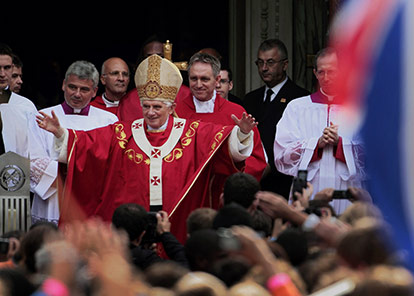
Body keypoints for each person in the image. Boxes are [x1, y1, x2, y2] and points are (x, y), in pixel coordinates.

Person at [35, 54, 259, 241]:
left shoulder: (192, 131)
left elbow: (221, 144)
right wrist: (61, 134)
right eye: (146, 106)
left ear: (171, 108)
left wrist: (242, 134)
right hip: (133, 223)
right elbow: (88, 145)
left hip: (176, 218)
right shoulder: (124, 132)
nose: (150, 112)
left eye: (157, 107)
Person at [25, 60, 118, 225]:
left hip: (93, 201)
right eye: (72, 87)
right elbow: (33, 160)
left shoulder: (109, 121)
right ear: (63, 85)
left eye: (84, 89)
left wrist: (76, 171)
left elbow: (113, 164)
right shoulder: (41, 117)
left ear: (95, 91)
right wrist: (79, 172)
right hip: (53, 199)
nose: (77, 94)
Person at [274, 47, 365, 214]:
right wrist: (316, 144)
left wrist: (341, 144)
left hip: (347, 189)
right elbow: (281, 154)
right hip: (309, 188)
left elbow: (375, 156)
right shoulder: (297, 107)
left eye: (332, 72)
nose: (326, 78)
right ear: (315, 73)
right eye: (321, 72)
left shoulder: (358, 109)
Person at [175, 51, 267, 186]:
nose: (198, 85)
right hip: (187, 189)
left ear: (217, 80)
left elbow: (256, 159)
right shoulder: (176, 113)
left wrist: (234, 184)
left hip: (224, 191)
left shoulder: (236, 112)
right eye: (194, 79)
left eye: (204, 79)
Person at [243, 39, 309, 198]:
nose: (264, 68)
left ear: (285, 64)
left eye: (270, 62)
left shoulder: (300, 99)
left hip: (283, 181)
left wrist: (270, 165)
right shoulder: (251, 99)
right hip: (253, 182)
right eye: (260, 63)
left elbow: (300, 143)